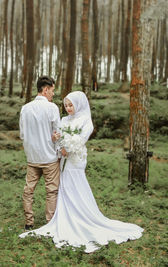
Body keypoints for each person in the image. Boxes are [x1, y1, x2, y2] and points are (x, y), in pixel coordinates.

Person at [19, 91, 144, 253]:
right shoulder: (63, 119)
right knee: (63, 187)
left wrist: (67, 148)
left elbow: (81, 139)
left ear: (79, 104)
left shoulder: (86, 121)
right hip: (63, 159)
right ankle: (64, 216)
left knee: (74, 185)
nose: (68, 108)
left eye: (71, 105)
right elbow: (58, 136)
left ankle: (81, 216)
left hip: (75, 160)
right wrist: (58, 140)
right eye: (66, 105)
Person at [19, 76, 61, 231]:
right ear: (45, 89)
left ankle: (29, 222)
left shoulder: (25, 108)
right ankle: (50, 223)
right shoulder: (52, 108)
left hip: (32, 158)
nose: (53, 94)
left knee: (28, 190)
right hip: (49, 157)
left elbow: (22, 134)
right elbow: (58, 132)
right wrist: (57, 151)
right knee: (51, 191)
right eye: (52, 90)